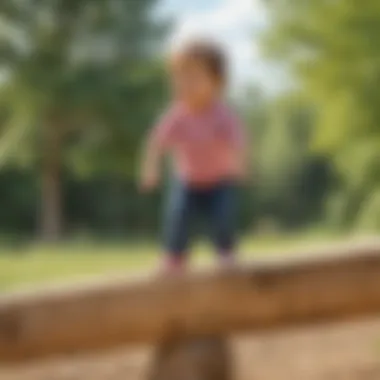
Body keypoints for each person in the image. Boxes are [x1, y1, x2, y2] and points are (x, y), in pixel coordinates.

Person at [139, 39, 248, 273]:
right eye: (179, 78)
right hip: (187, 181)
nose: (185, 84)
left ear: (217, 82)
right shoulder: (177, 115)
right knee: (177, 217)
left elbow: (237, 140)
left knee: (223, 218)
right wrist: (151, 169)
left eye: (194, 78)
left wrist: (239, 164)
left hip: (219, 181)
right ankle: (175, 256)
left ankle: (225, 252)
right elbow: (156, 142)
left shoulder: (222, 114)